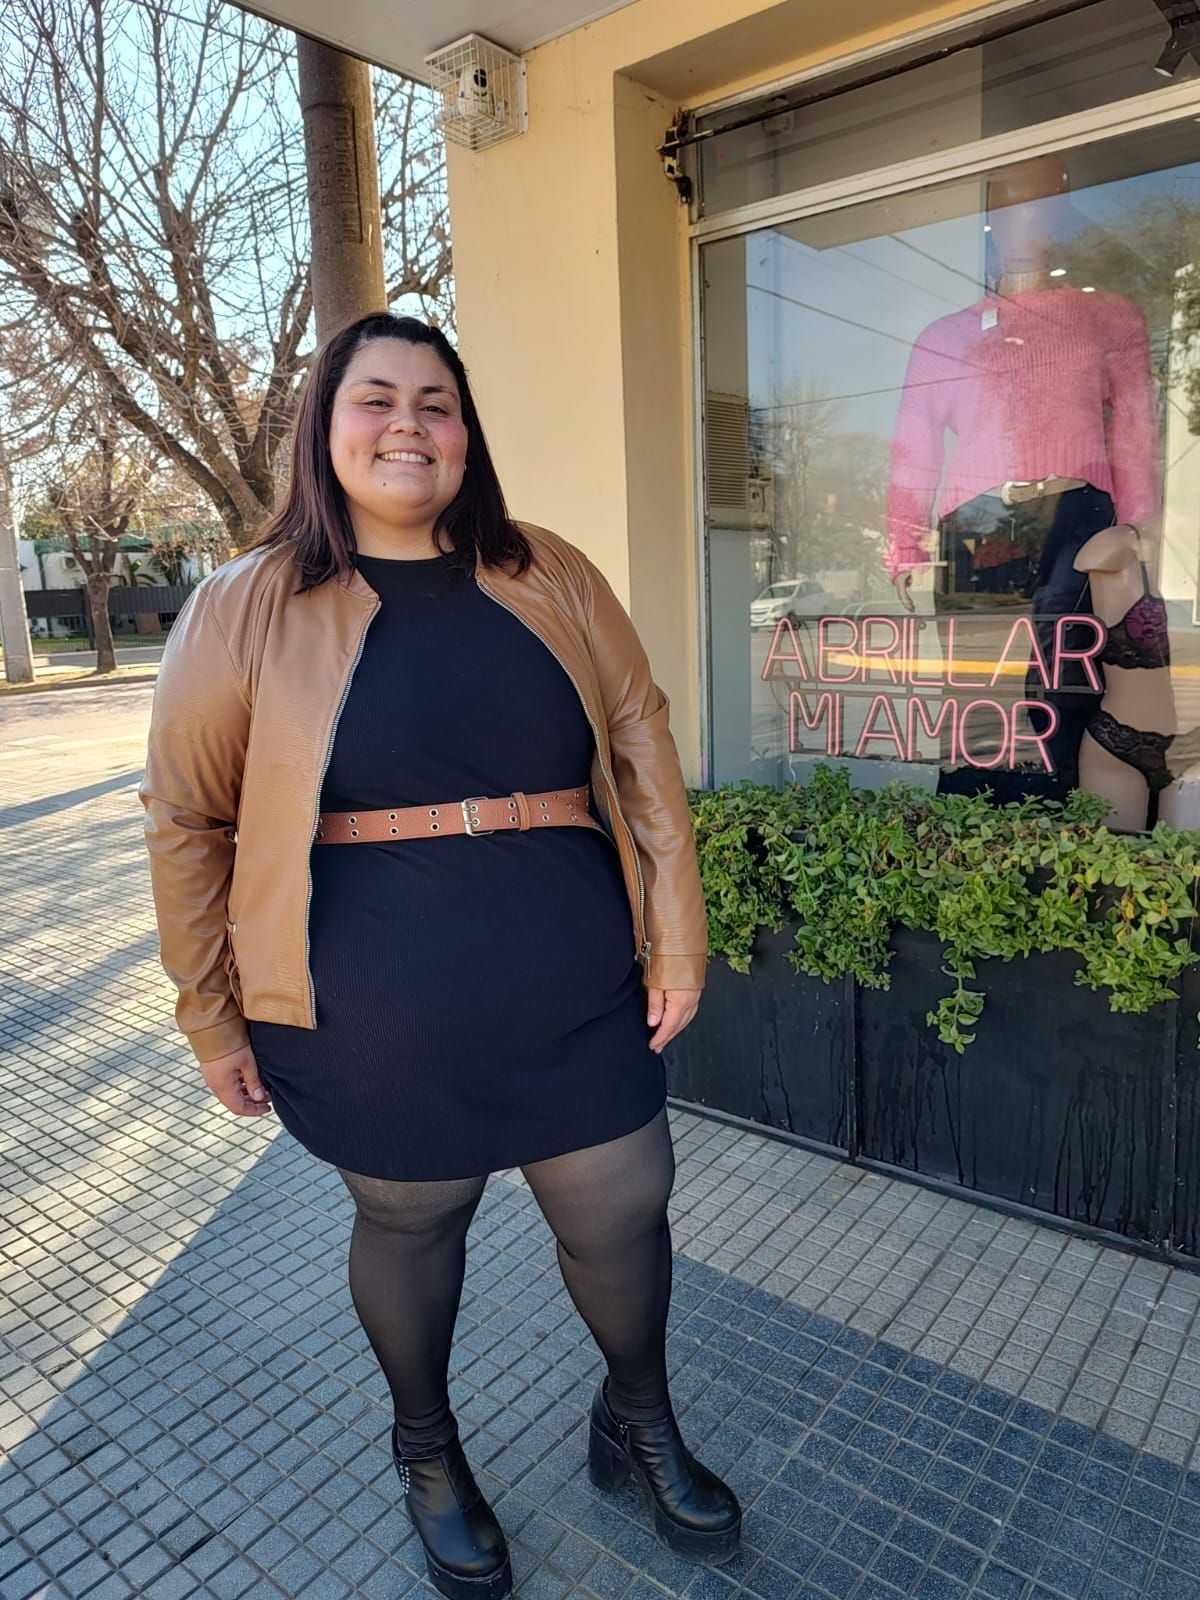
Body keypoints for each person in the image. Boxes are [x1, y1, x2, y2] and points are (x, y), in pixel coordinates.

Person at [138, 311, 741, 1600]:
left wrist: (678, 934)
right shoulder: (243, 605)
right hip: (367, 1003)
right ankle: (427, 1452)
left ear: (467, 434)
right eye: (376, 399)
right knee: (413, 1221)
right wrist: (213, 1016)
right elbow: (188, 819)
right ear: (325, 426)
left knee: (627, 1203)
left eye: (437, 402)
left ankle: (639, 1422)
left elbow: (640, 738)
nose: (409, 423)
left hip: (574, 979)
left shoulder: (549, 572)